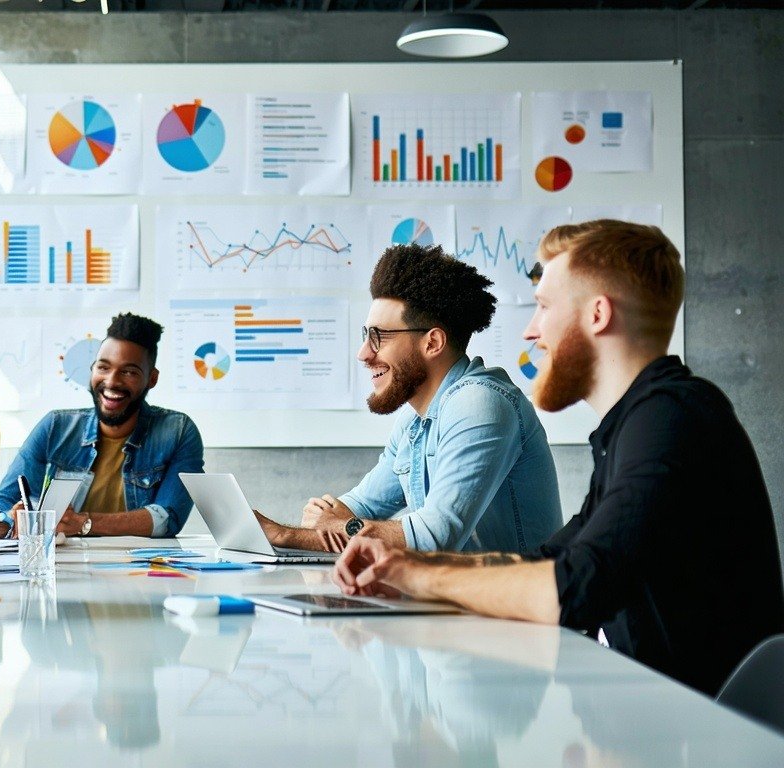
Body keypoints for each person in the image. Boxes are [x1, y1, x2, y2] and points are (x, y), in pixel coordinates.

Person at [335, 220, 784, 697]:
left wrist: (412, 573)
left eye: (544, 307)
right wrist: (400, 568)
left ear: (597, 315)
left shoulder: (672, 420)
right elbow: (551, 559)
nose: (532, 331)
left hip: (697, 738)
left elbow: (576, 587)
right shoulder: (632, 426)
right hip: (644, 717)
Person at [258, 243, 562, 554]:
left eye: (380, 337)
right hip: (450, 596)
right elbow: (358, 506)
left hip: (507, 600)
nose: (363, 354)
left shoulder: (480, 404)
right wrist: (326, 518)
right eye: (366, 336)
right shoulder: (416, 421)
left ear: (432, 343)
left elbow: (436, 535)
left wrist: (284, 535)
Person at [0, 313, 203, 538]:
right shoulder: (55, 427)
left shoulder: (178, 432)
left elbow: (167, 518)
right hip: (63, 563)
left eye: (129, 372)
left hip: (140, 566)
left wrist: (83, 523)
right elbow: (0, 502)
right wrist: (12, 519)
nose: (112, 382)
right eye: (103, 367)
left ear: (151, 379)